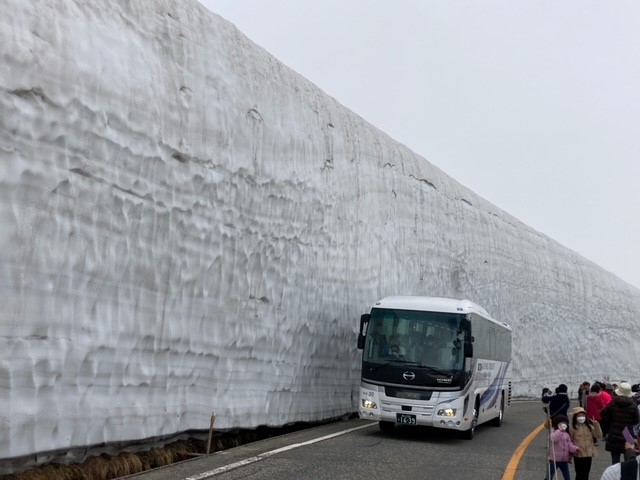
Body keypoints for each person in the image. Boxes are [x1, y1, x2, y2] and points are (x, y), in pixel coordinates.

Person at [601, 382, 640, 465]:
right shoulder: (633, 405)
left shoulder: (613, 403)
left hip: (614, 432)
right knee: (629, 457)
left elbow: (604, 414)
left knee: (615, 459)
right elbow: (636, 421)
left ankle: (615, 475)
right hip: (628, 434)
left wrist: (610, 424)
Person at [569, 406, 602, 480]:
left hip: (588, 453)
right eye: (579, 416)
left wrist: (596, 425)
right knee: (579, 474)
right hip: (578, 454)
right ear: (575, 417)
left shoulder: (590, 427)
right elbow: (570, 440)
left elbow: (598, 435)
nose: (581, 417)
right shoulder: (573, 428)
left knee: (586, 473)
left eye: (583, 415)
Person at [545, 414, 581, 480]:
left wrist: (575, 448)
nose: (563, 425)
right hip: (554, 459)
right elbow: (554, 439)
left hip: (564, 460)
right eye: (561, 423)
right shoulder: (553, 431)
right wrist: (559, 431)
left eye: (565, 423)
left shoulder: (566, 434)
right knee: (549, 476)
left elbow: (569, 445)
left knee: (567, 476)